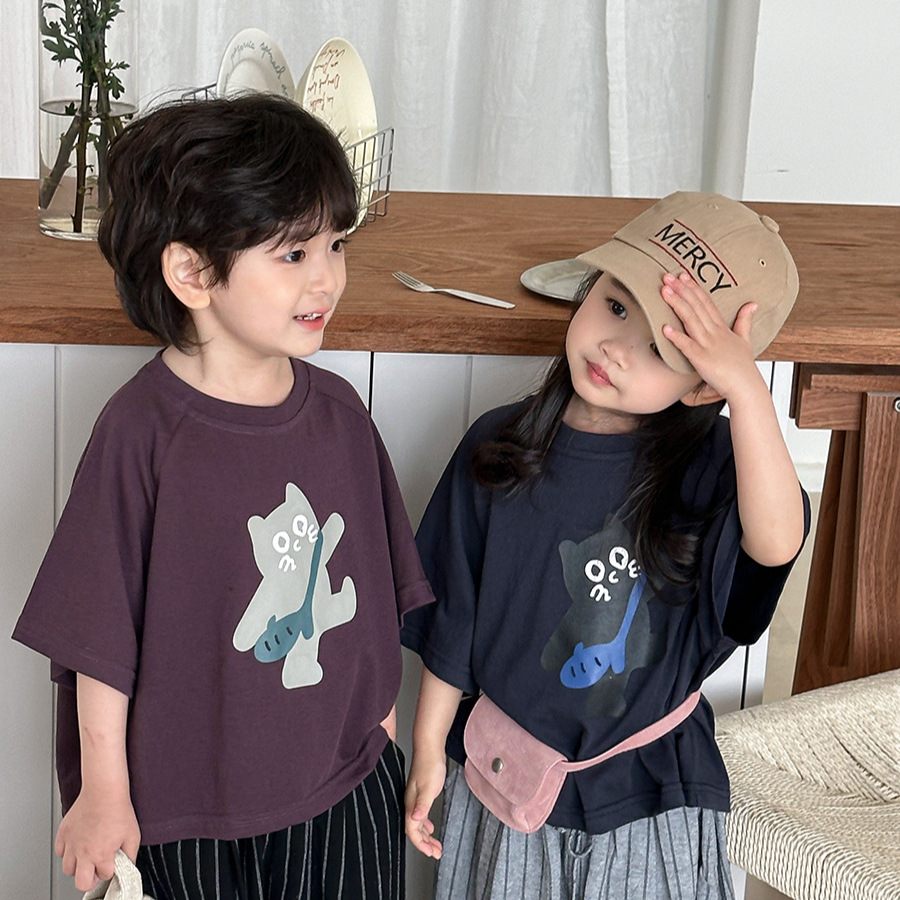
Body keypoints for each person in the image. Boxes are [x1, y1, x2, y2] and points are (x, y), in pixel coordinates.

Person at [13, 94, 433, 900]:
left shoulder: (341, 416)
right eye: (294, 252)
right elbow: (97, 639)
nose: (328, 277)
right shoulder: (140, 434)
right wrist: (104, 793)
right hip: (187, 812)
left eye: (336, 244)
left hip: (342, 794)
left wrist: (379, 739)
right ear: (193, 273)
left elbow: (371, 605)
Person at [401, 192, 810, 899]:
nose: (617, 349)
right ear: (588, 287)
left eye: (663, 348)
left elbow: (774, 545)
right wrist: (429, 747)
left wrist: (747, 391)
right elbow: (452, 620)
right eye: (617, 305)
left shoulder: (714, 471)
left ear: (701, 384)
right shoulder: (498, 447)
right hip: (504, 784)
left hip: (650, 800)